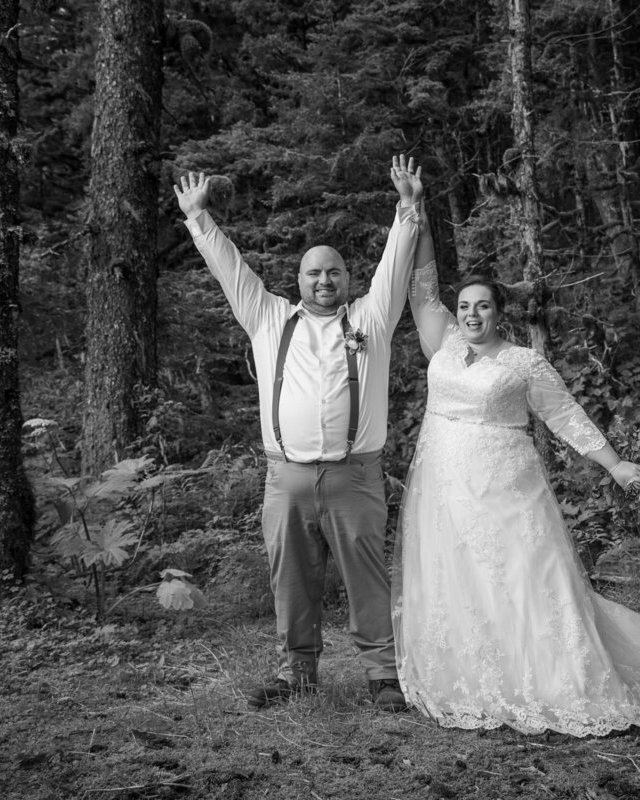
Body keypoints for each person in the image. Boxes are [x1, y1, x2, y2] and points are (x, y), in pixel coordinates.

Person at [392, 199, 640, 736]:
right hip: (442, 484)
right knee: (457, 574)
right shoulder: (443, 342)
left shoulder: (525, 362)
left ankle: (558, 676)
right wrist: (416, 215)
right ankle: (475, 672)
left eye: (483, 306)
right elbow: (421, 289)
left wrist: (614, 464)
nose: (472, 314)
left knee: (528, 571)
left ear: (500, 312)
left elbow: (565, 415)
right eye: (465, 305)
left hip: (505, 483)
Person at [174, 156, 424, 712]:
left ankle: (382, 675)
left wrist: (407, 208)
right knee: (290, 577)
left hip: (354, 475)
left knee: (367, 578)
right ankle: (298, 673)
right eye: (314, 272)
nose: (324, 280)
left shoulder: (372, 320)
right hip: (285, 478)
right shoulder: (268, 319)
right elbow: (231, 270)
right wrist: (198, 219)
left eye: (333, 271)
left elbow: (395, 264)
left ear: (347, 279)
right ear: (299, 279)